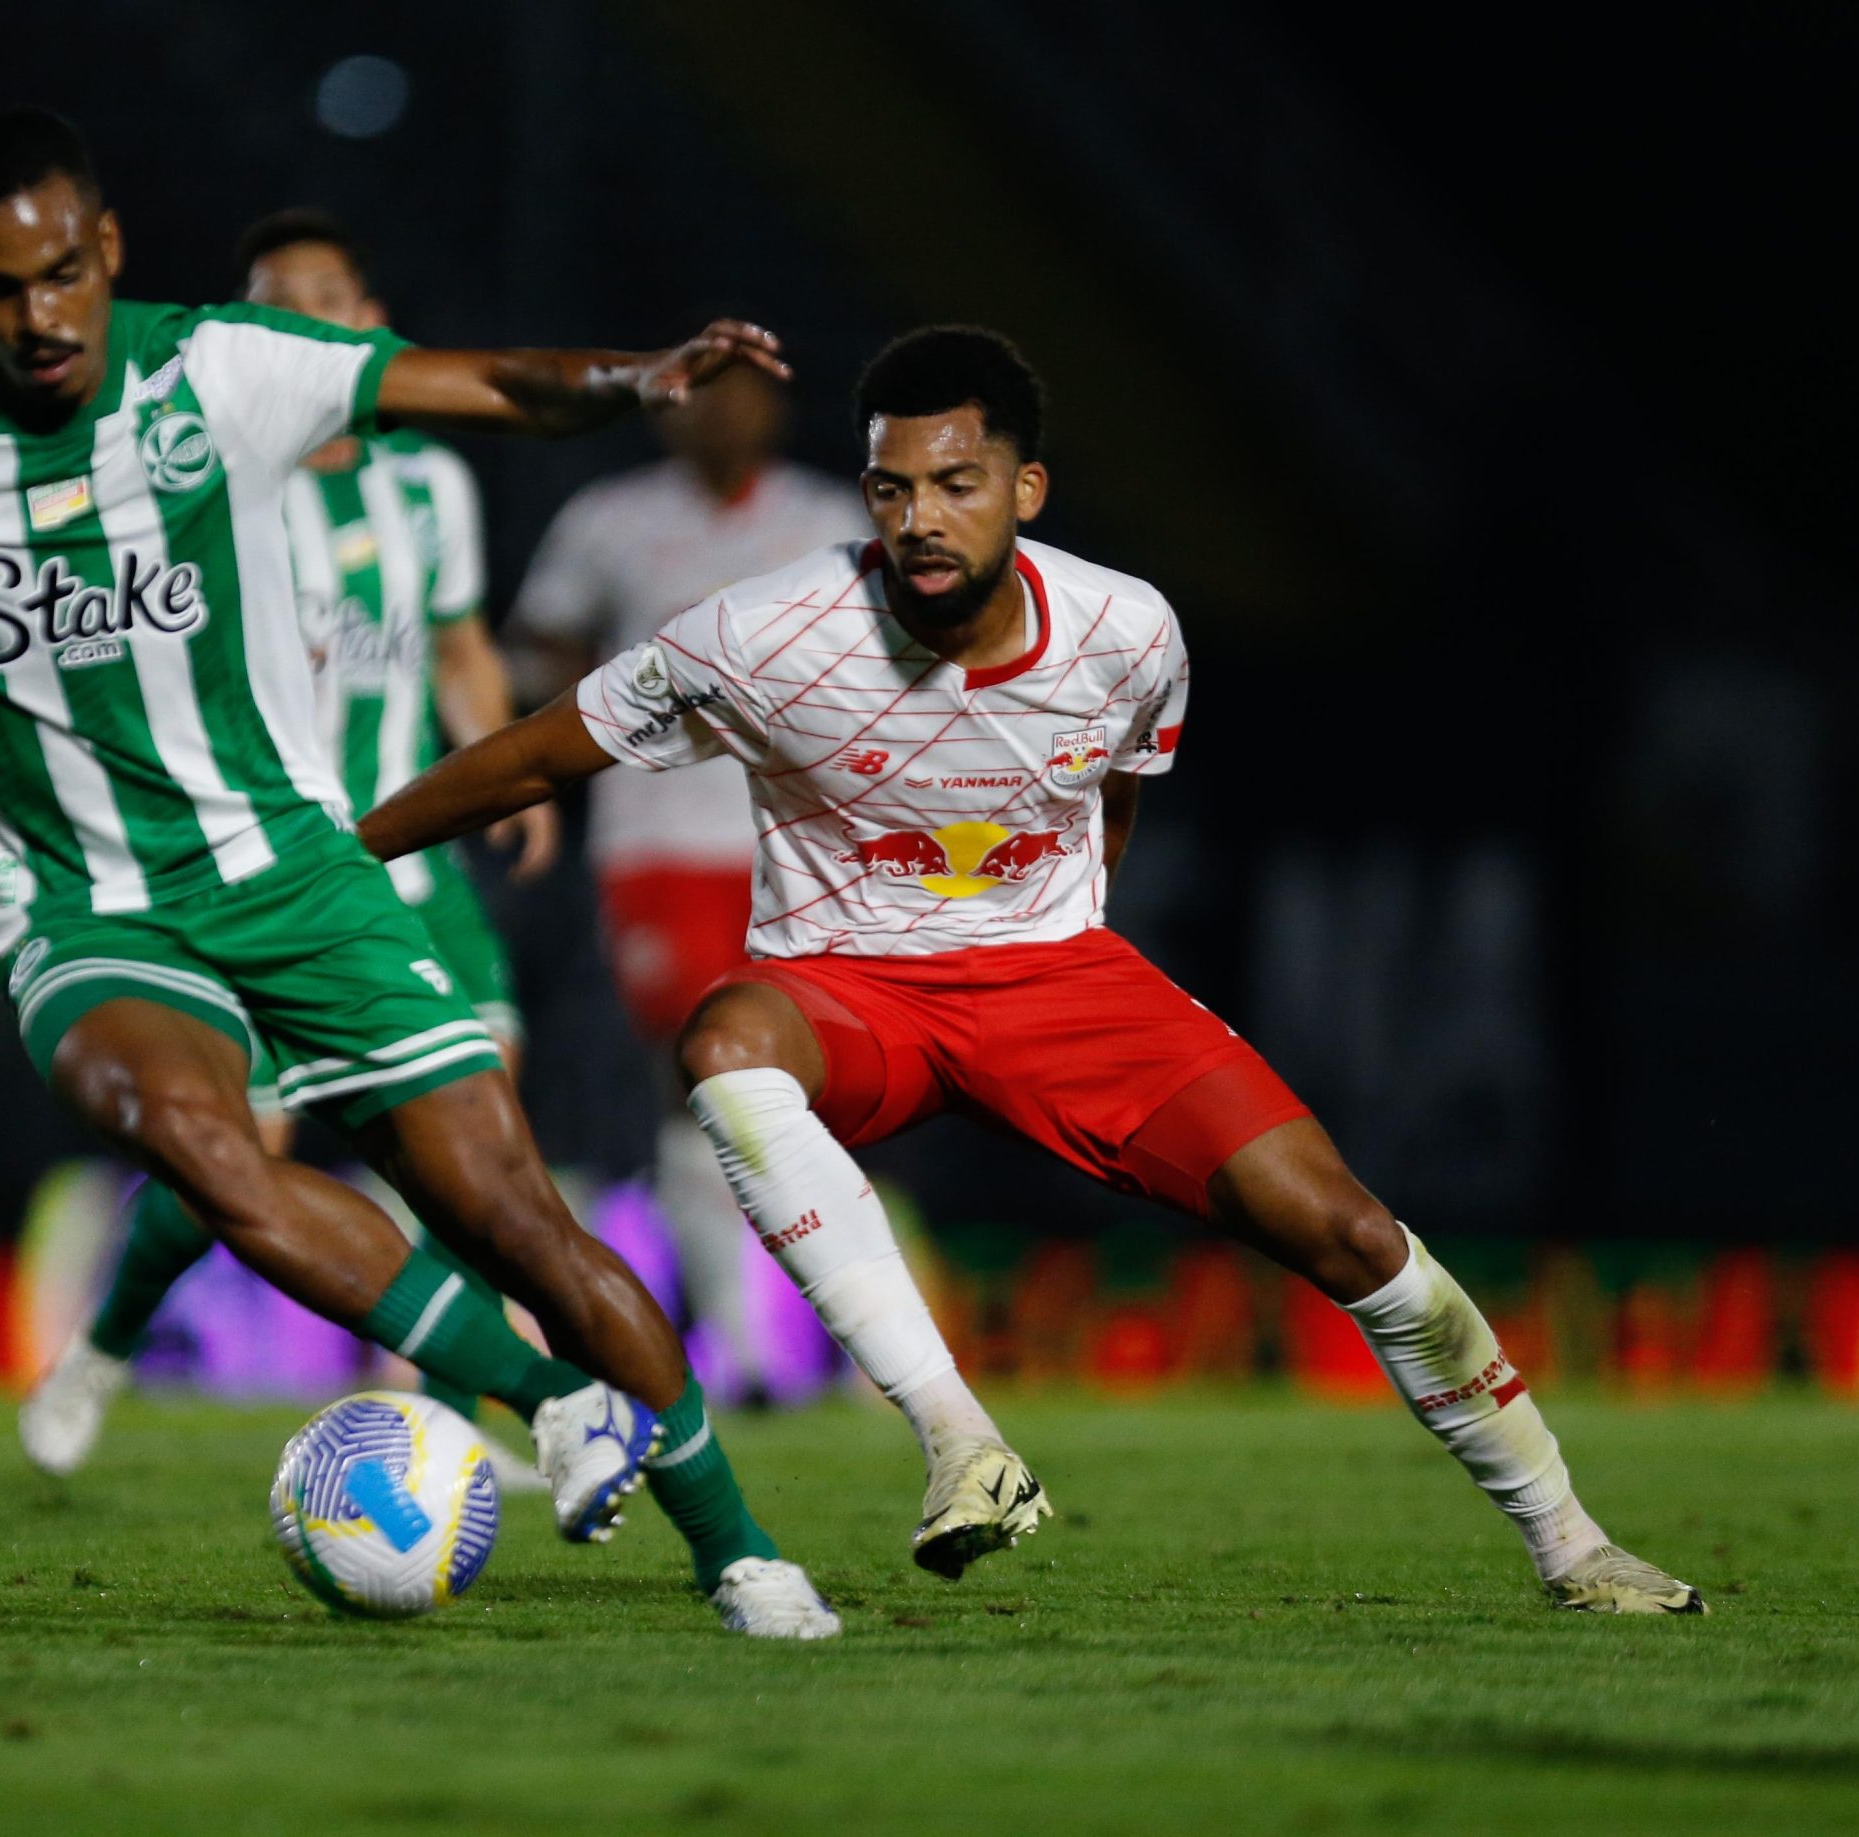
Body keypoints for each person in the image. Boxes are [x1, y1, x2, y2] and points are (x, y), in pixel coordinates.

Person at [0, 106, 835, 1638]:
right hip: (83, 911)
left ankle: (741, 1554)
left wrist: (639, 378)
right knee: (200, 1141)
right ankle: (540, 1396)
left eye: (63, 273)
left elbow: (478, 384)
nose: (39, 316)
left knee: (512, 1212)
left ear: (106, 250)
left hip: (294, 872)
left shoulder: (216, 370)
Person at [357, 325, 1708, 1613]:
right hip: (852, 988)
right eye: (894, 488)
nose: (920, 519)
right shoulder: (761, 632)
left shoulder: (1130, 630)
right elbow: (537, 753)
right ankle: (960, 1441)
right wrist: (355, 852)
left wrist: (1066, 949)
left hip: (1058, 980)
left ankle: (1573, 1543)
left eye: (957, 484)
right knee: (723, 1045)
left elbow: (1117, 793)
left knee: (1355, 1236)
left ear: (1027, 487)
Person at [20, 209, 557, 1486]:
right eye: (275, 304)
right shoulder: (196, 483)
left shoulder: (429, 487)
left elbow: (456, 643)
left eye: (327, 295)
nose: (305, 321)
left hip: (413, 876)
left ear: (372, 327)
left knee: (478, 1158)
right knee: (231, 1164)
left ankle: (453, 1429)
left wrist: (505, 770)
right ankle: (99, 1348)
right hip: (258, 877)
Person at [506, 364, 863, 1399]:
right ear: (668, 408)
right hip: (660, 844)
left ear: (778, 408)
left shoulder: (825, 519)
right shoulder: (608, 522)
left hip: (800, 844)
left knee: (807, 1091)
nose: (722, 412)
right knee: (700, 1081)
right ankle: (747, 1354)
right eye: (702, 392)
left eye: (744, 393)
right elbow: (542, 651)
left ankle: (815, 1329)